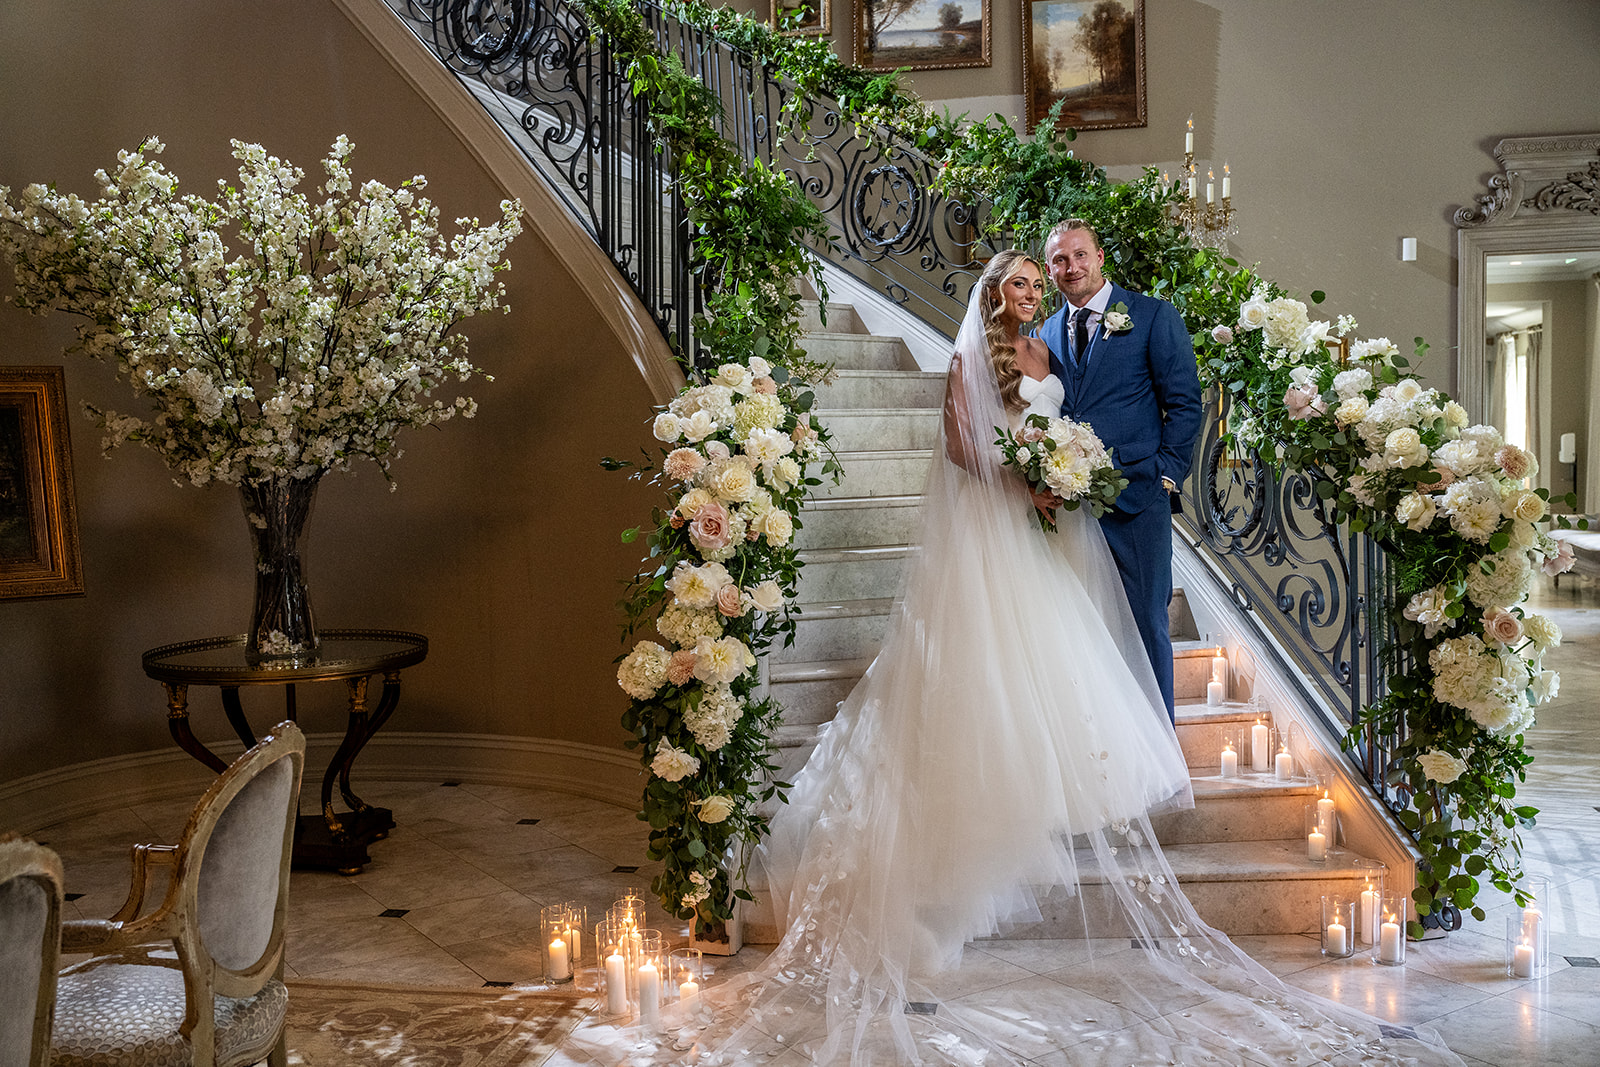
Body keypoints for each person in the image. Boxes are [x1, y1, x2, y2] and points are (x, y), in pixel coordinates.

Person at [627, 252, 1463, 1066]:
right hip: (998, 529)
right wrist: (1022, 481)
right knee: (996, 663)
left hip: (1054, 527)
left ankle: (1073, 776)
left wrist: (1066, 471)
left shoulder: (1052, 346)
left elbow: (1079, 416)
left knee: (1085, 646)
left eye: (1040, 277)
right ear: (995, 292)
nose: (1031, 290)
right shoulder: (974, 354)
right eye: (1019, 280)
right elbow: (963, 445)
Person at [1039, 219, 1203, 720]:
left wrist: (1167, 472)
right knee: (1087, 627)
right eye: (1060, 260)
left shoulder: (1152, 317)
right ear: (1050, 271)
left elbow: (1185, 402)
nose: (1072, 267)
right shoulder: (1045, 331)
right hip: (1074, 505)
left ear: (1100, 257)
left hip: (1138, 500)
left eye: (1080, 255)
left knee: (1147, 622)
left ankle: (1162, 750)